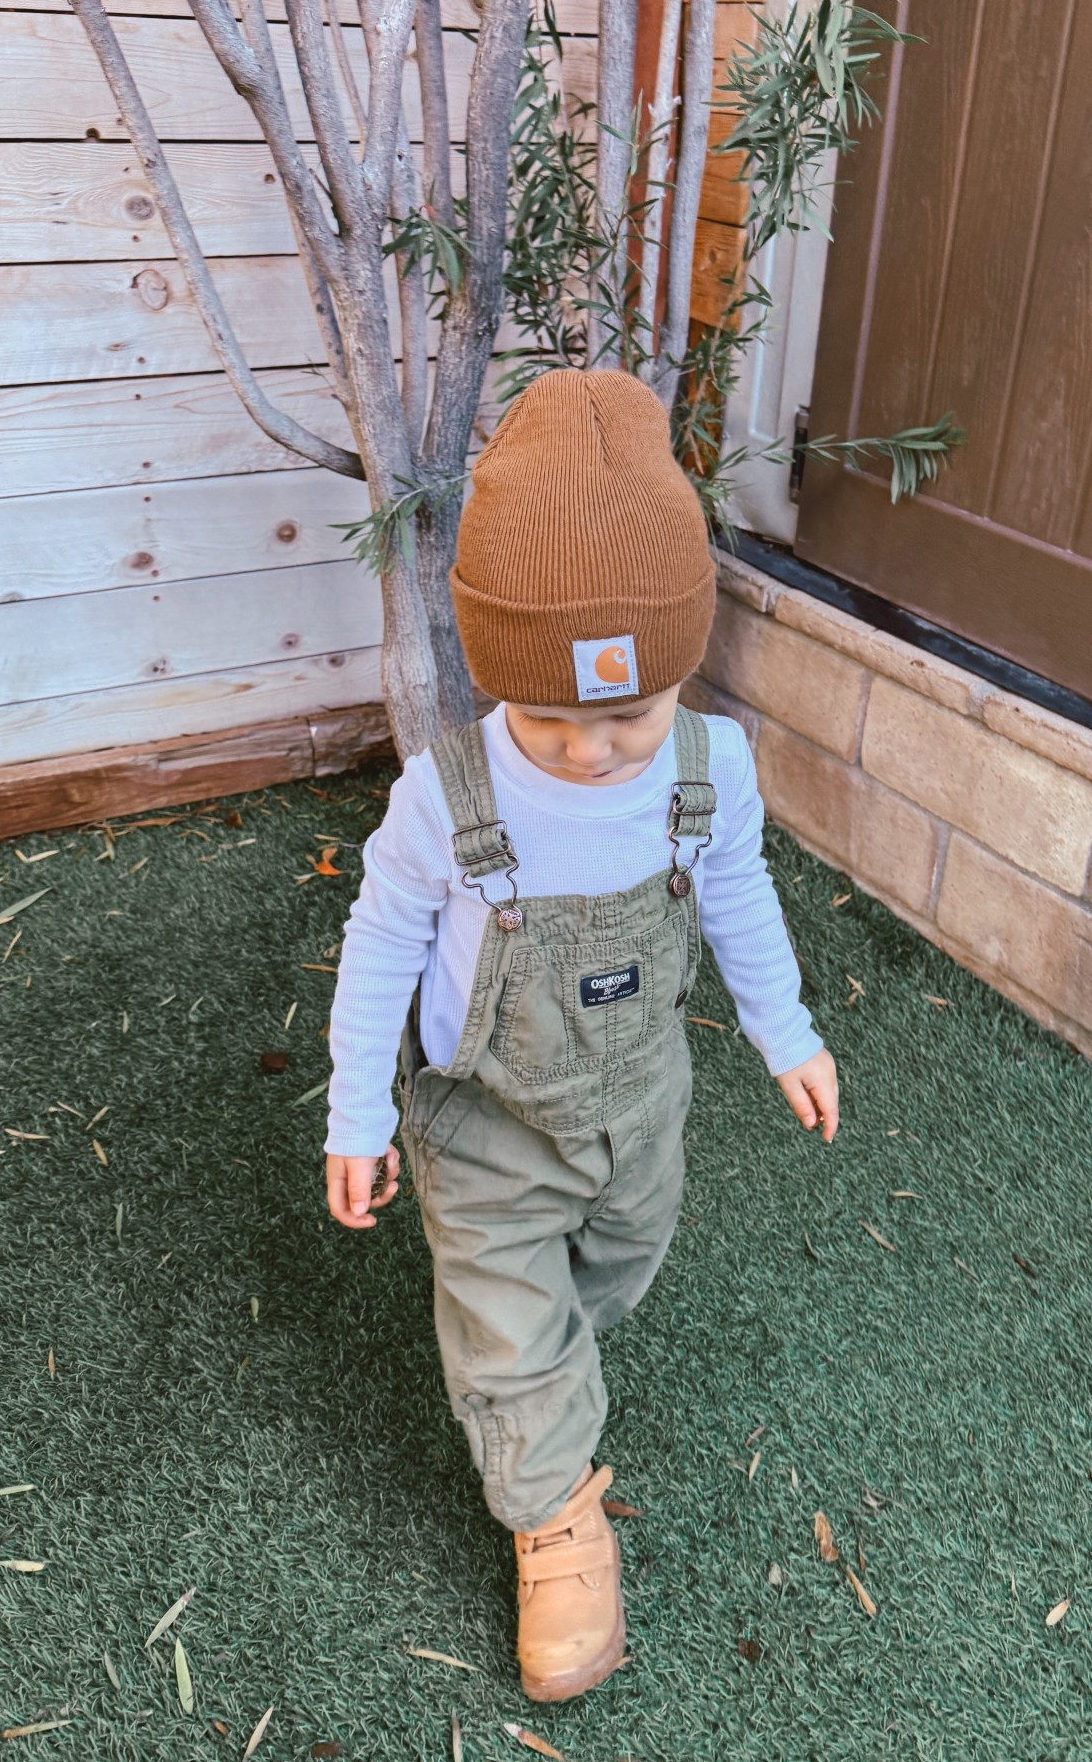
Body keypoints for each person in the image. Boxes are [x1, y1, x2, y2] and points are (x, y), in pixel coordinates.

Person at [323, 368, 840, 1702]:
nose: (600, 750)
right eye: (555, 720)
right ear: (497, 680)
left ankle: (541, 1365)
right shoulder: (451, 799)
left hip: (640, 1106)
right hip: (487, 1122)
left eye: (630, 712)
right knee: (511, 1317)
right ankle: (554, 1516)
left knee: (611, 1269)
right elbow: (380, 941)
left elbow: (737, 894)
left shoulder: (707, 773)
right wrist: (358, 1114)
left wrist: (786, 1031)